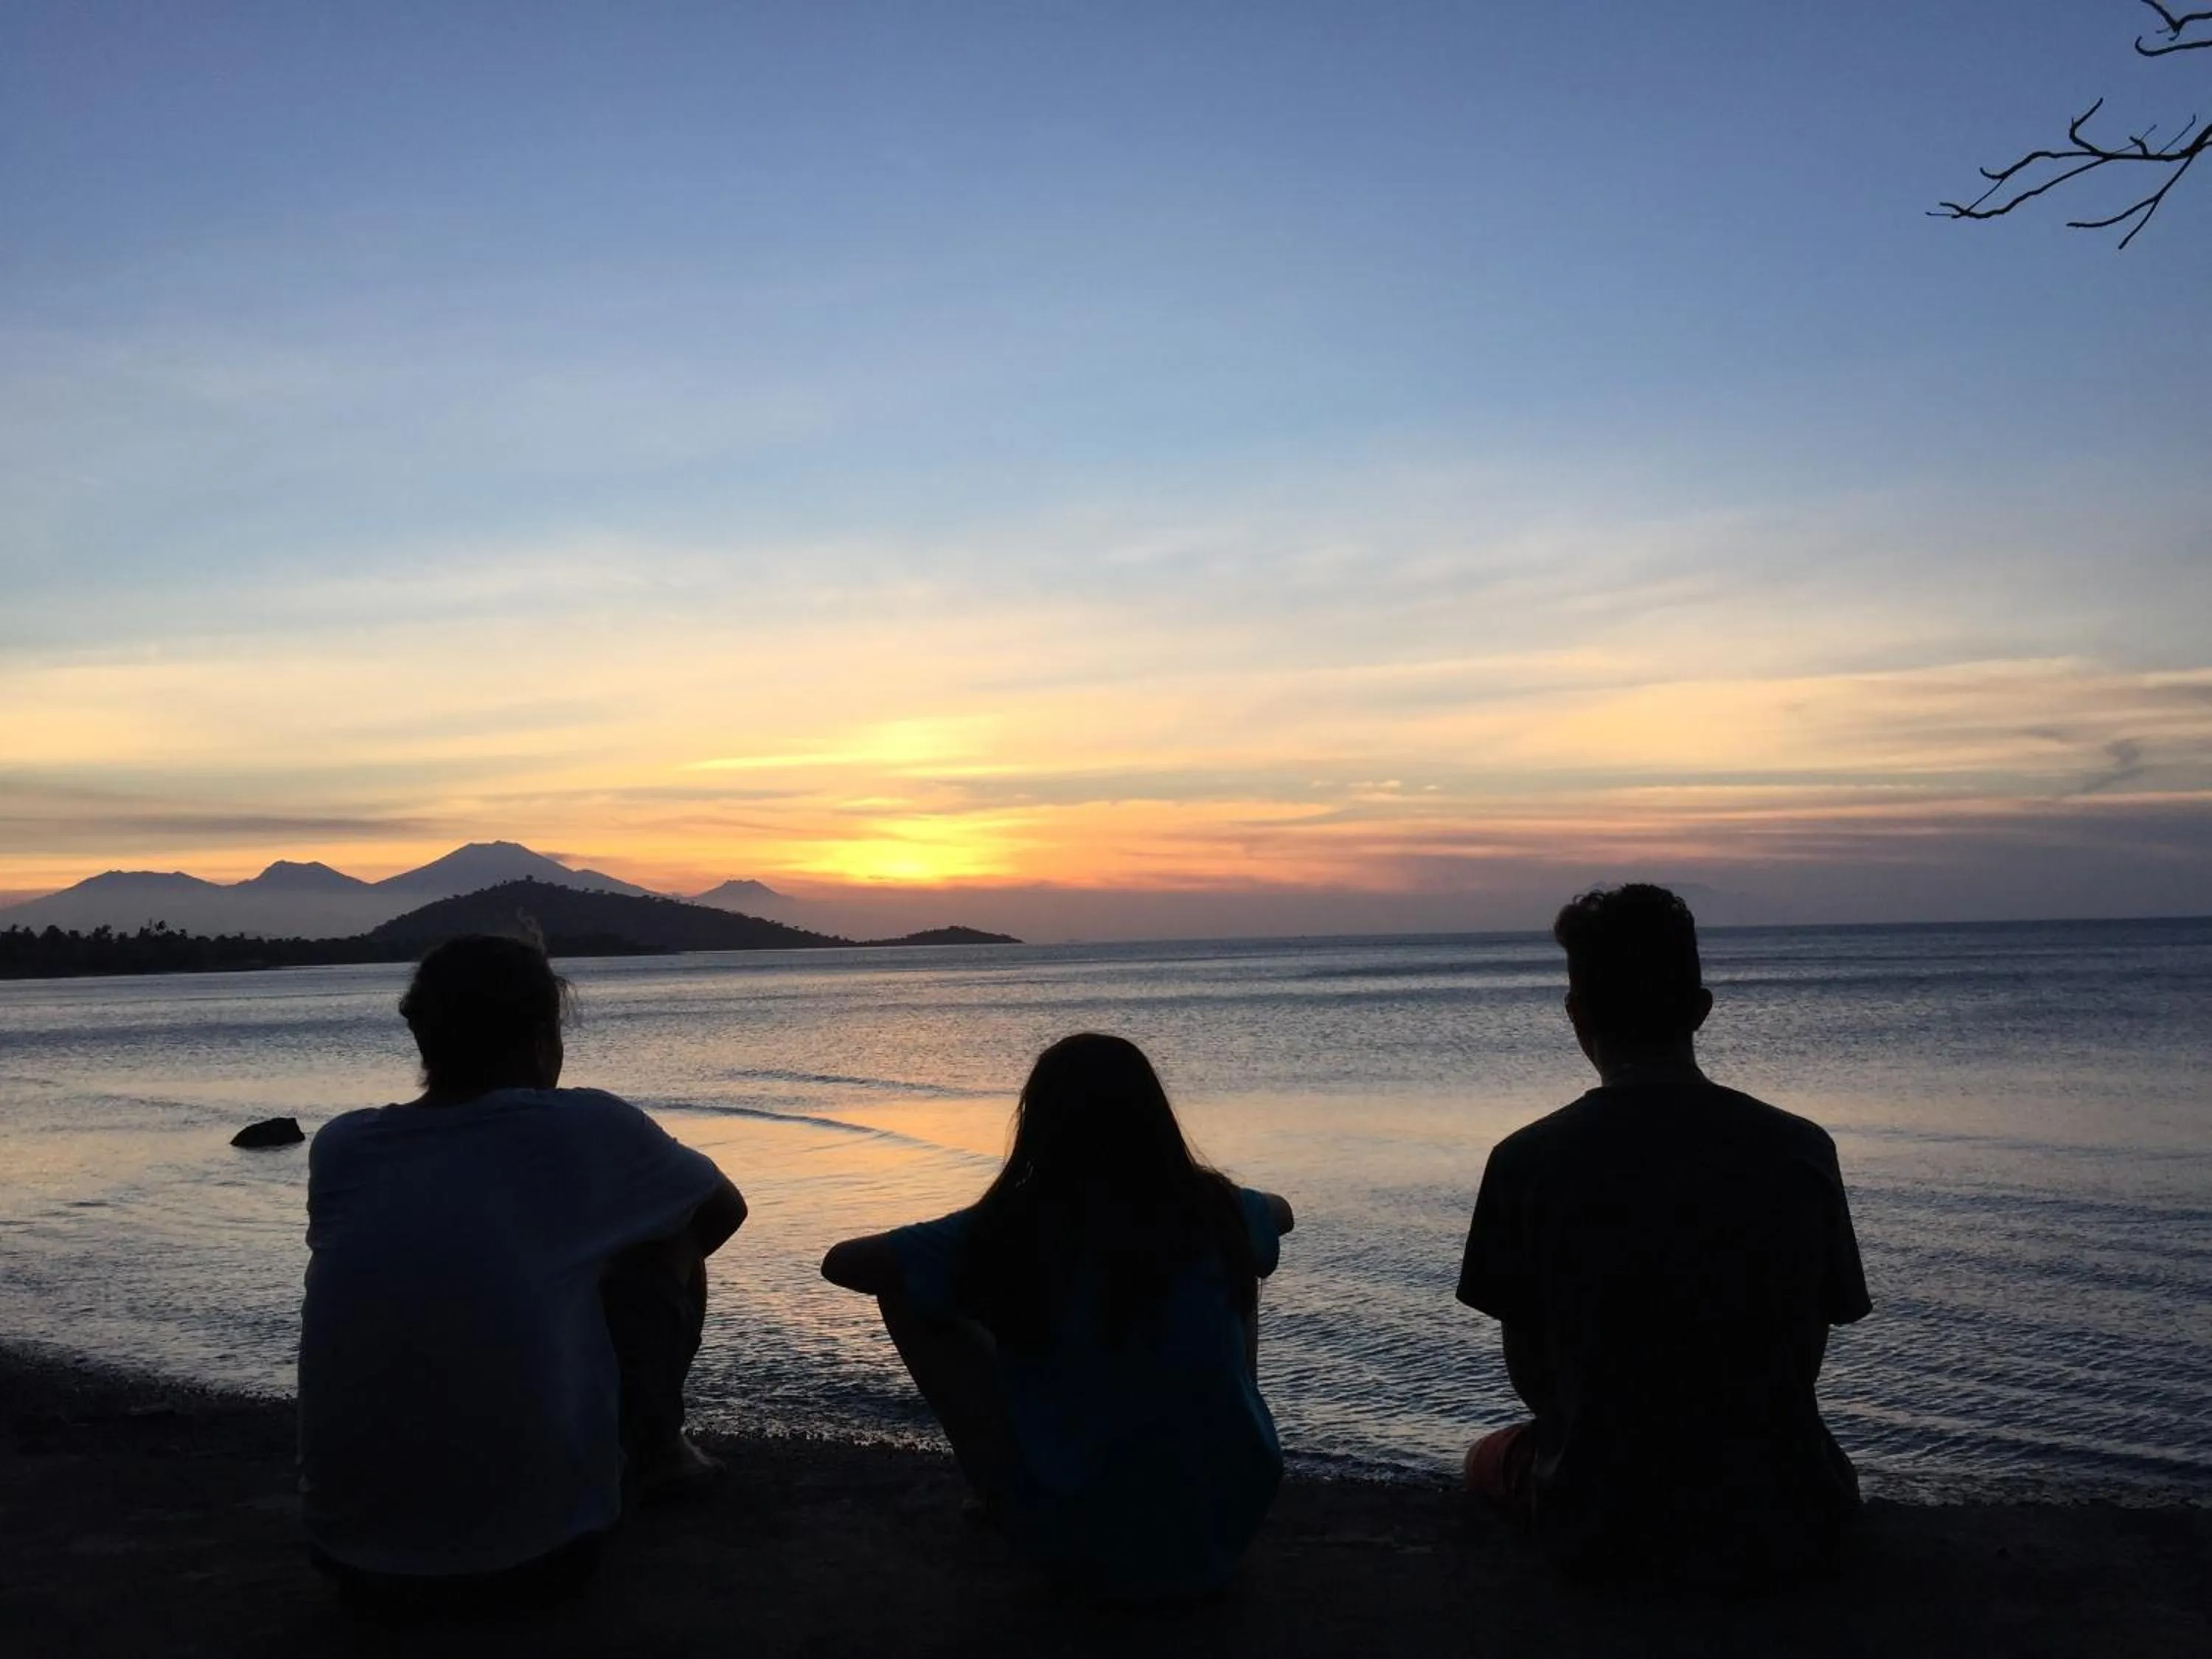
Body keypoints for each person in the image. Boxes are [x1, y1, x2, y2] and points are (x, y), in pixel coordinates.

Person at [298, 933, 745, 1607]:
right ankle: (658, 1450)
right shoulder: (590, 1125)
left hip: (351, 1562)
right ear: (542, 1041)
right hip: (540, 1559)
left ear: (421, 1037)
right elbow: (721, 1212)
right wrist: (603, 1287)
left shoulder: (342, 1145)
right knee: (668, 1232)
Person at [1457, 884, 1871, 1584]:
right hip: (1787, 1515)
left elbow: (1533, 1377)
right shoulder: (1801, 1149)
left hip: (1604, 1526)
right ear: (1701, 1009)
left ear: (1576, 1014)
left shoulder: (1524, 1161)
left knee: (1484, 1458)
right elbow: (1805, 1355)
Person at [821, 1032, 1294, 1601]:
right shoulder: (1216, 1210)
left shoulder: (1006, 1229)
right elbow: (1280, 1214)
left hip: (1081, 1545)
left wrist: (981, 1290)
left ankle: (997, 1489)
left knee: (905, 1290)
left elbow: (842, 1263)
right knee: (1239, 1256)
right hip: (1229, 1524)